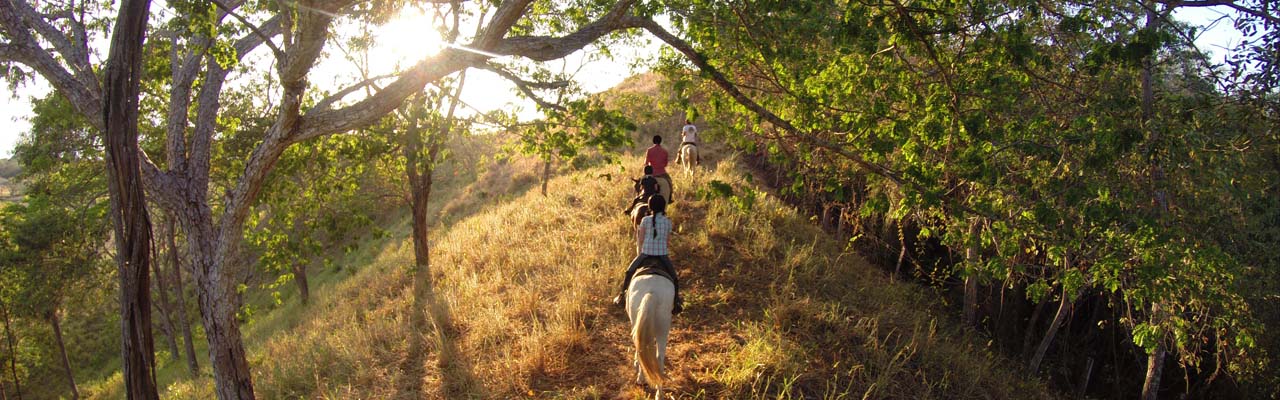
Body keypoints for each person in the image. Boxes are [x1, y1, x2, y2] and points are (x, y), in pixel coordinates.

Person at [613, 194, 683, 314]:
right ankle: (676, 301)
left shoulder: (645, 220)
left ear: (650, 207)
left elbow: (640, 240)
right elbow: (667, 241)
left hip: (645, 254)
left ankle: (622, 296)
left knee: (629, 272)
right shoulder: (667, 222)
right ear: (663, 207)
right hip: (662, 256)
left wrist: (640, 254)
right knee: (674, 278)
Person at [645, 135, 673, 203]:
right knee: (670, 183)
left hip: (652, 174)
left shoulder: (649, 150)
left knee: (640, 184)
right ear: (660, 141)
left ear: (653, 141)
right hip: (662, 173)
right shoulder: (664, 151)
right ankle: (669, 198)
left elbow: (646, 163)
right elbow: (665, 164)